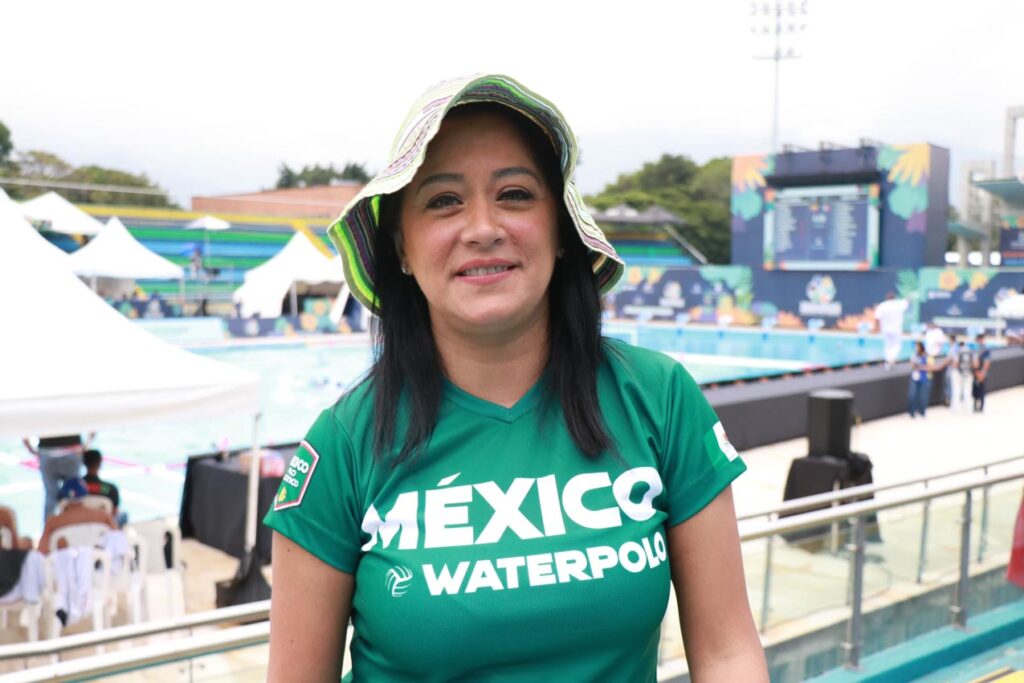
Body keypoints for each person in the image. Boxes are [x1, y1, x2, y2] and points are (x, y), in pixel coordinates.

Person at [263, 75, 767, 682]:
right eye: (443, 200)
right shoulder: (344, 445)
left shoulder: (658, 399)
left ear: (561, 231)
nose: (482, 227)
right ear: (401, 246)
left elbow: (727, 653)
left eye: (516, 194)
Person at [22, 433, 93, 523]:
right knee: (75, 496)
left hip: (48, 452)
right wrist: (87, 444)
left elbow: (24, 430)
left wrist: (30, 449)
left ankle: (48, 530)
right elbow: (93, 430)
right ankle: (75, 525)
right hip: (71, 451)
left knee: (51, 496)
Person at [37, 479, 117, 554]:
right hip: (98, 566)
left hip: (65, 567)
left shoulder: (53, 522)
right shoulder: (103, 516)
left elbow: (42, 552)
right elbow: (119, 542)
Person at [82, 449, 126, 527]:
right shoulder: (111, 489)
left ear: (83, 463)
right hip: (104, 526)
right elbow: (114, 512)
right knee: (124, 515)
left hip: (80, 524)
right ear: (100, 463)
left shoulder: (74, 489)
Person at [874, 292, 908, 369]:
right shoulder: (899, 304)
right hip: (896, 329)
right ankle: (891, 359)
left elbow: (877, 317)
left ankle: (888, 361)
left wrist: (877, 327)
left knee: (887, 345)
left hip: (885, 329)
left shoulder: (882, 305)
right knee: (896, 345)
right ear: (894, 297)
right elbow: (906, 302)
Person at [908, 341, 934, 418]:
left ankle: (922, 412)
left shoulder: (928, 356)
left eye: (917, 346)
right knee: (912, 395)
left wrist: (920, 367)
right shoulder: (914, 355)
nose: (916, 348)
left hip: (925, 378)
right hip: (915, 378)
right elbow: (912, 364)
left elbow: (930, 367)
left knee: (923, 396)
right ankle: (912, 412)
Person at [949, 335, 974, 413]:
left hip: (958, 373)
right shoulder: (970, 351)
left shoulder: (957, 350)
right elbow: (975, 364)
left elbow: (955, 363)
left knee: (956, 391)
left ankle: (955, 409)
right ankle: (969, 409)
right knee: (967, 392)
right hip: (968, 373)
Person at [972, 333, 992, 412]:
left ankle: (980, 407)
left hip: (981, 373)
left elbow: (987, 362)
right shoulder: (976, 349)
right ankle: (976, 405)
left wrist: (982, 373)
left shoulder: (984, 349)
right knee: (976, 390)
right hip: (976, 372)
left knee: (981, 390)